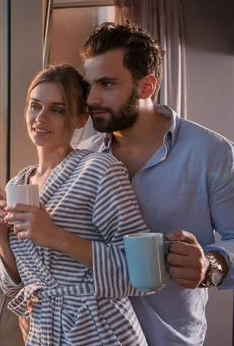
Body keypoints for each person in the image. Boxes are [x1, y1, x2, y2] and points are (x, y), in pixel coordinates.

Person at [79, 21, 234, 345]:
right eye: (88, 85)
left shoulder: (212, 152)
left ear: (147, 86)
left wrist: (212, 264)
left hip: (171, 338)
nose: (91, 98)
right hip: (91, 337)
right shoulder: (81, 157)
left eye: (106, 84)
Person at [0, 64, 151, 345]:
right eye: (34, 106)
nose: (40, 118)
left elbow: (141, 272)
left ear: (79, 119)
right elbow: (12, 287)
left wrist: (57, 237)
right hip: (42, 330)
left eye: (57, 109)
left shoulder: (100, 169)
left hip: (99, 330)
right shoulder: (17, 185)